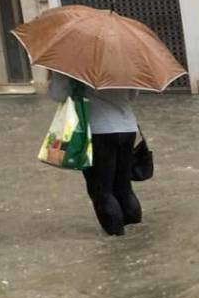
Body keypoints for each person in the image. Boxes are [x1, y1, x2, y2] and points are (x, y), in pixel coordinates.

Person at [47, 71, 141, 236]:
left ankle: (116, 242)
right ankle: (137, 236)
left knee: (101, 190)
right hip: (128, 128)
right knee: (123, 187)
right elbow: (132, 95)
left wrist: (54, 77)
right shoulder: (125, 61)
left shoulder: (72, 63)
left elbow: (58, 95)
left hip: (98, 130)